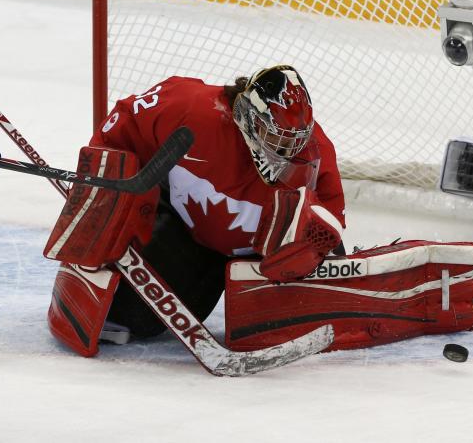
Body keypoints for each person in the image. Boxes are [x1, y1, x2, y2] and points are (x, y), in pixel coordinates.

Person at [89, 66, 346, 341]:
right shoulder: (189, 107)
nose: (287, 152)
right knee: (138, 320)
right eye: (276, 138)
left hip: (258, 260)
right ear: (251, 117)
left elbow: (329, 222)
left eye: (295, 141)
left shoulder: (315, 150)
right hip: (186, 232)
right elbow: (121, 126)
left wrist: (310, 254)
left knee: (276, 329)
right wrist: (102, 192)